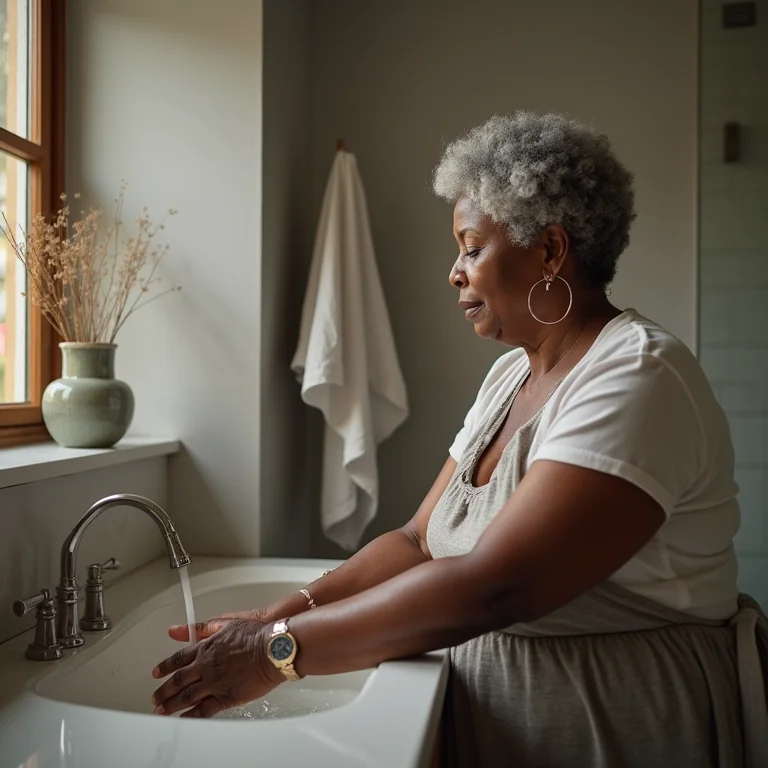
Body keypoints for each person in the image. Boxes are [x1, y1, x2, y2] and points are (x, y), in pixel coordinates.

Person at [150, 113, 768, 767]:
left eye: (471, 248)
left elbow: (498, 585)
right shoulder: (510, 375)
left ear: (551, 251)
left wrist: (278, 653)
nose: (455, 271)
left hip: (615, 727)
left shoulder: (637, 375)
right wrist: (273, 618)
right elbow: (418, 542)